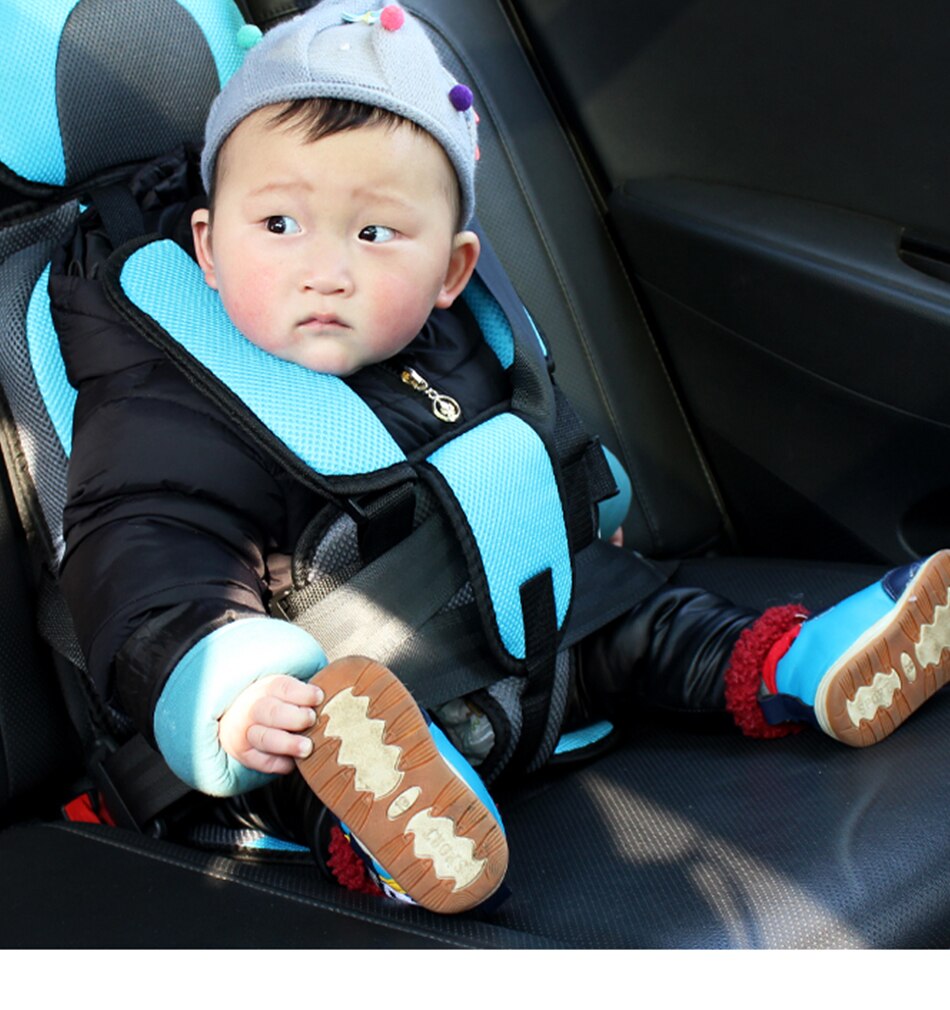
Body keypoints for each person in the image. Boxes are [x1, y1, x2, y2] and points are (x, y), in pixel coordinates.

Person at [53, 1, 950, 913]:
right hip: (333, 696)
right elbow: (144, 546)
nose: (326, 269)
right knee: (309, 752)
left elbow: (533, 433)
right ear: (207, 247)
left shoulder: (456, 336)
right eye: (279, 224)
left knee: (644, 616)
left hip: (536, 643)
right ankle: (397, 832)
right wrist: (225, 681)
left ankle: (791, 664)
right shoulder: (167, 391)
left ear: (452, 271)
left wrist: (580, 504)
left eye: (374, 234)